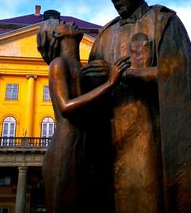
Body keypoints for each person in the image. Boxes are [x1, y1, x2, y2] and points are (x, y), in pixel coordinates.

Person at [82, 0, 191, 213]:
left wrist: (129, 74)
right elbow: (91, 91)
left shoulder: (164, 22)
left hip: (153, 132)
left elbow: (179, 76)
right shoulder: (105, 34)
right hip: (112, 136)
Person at [37, 19, 130, 213]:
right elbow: (66, 107)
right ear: (56, 35)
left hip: (84, 146)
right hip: (65, 149)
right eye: (62, 23)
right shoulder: (58, 64)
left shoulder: (80, 68)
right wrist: (110, 83)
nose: (69, 22)